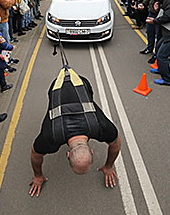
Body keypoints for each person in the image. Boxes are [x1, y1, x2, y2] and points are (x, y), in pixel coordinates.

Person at [29, 60, 121, 194]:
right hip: (62, 87)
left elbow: (36, 154)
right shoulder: (51, 136)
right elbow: (116, 144)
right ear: (91, 151)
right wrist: (109, 166)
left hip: (76, 85)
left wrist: (109, 165)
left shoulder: (51, 137)